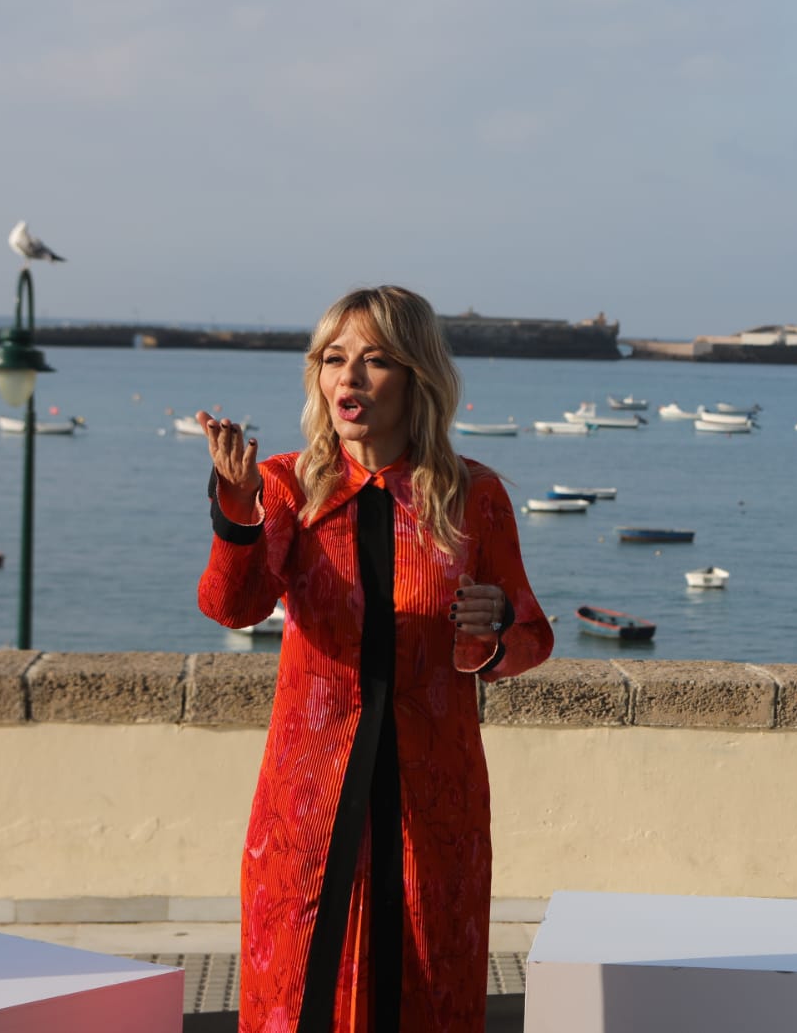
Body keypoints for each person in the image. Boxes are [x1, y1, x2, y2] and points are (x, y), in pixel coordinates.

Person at [196, 285, 553, 1032]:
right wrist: (236, 509)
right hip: (310, 795)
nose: (348, 378)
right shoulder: (284, 487)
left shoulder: (472, 497)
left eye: (374, 360)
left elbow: (531, 636)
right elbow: (233, 606)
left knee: (424, 984)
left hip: (434, 797)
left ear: (416, 377)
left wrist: (492, 632)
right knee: (299, 990)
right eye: (333, 359)